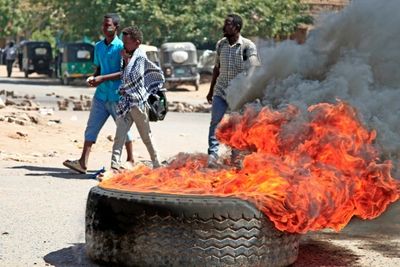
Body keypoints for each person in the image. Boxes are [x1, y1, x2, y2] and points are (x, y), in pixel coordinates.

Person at [63, 13, 134, 174]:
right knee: (91, 128)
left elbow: (125, 72)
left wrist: (102, 78)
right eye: (103, 25)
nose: (105, 28)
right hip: (101, 95)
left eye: (108, 25)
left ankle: (130, 159)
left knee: (123, 129)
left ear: (116, 27)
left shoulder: (122, 47)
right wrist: (93, 78)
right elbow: (98, 69)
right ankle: (82, 162)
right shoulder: (98, 46)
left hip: (118, 96)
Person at [206, 14, 260, 168]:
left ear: (237, 27)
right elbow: (217, 68)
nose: (224, 26)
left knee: (237, 126)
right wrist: (211, 91)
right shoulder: (220, 44)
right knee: (215, 123)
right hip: (221, 91)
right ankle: (213, 155)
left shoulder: (248, 46)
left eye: (228, 24)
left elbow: (254, 68)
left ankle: (236, 156)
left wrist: (247, 88)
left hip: (238, 94)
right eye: (225, 23)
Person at [110, 25, 163, 171]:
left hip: (138, 104)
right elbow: (124, 74)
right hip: (126, 103)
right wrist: (125, 60)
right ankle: (114, 165)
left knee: (146, 137)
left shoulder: (139, 57)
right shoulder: (128, 56)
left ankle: (157, 164)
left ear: (137, 43)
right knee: (119, 136)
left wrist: (126, 61)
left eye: (127, 43)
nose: (124, 45)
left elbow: (132, 78)